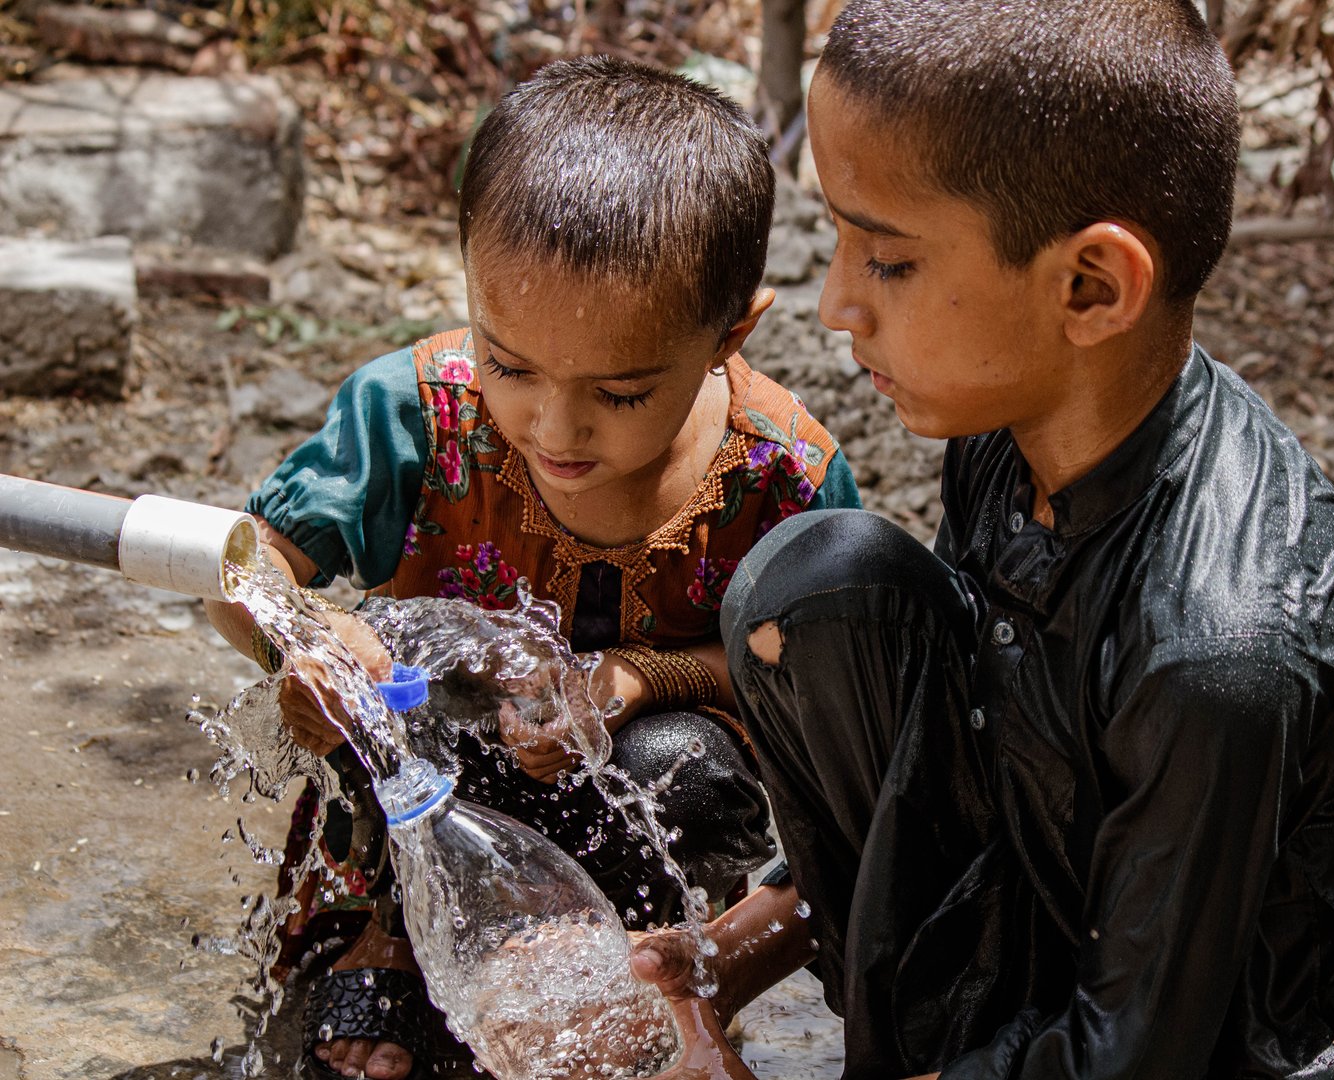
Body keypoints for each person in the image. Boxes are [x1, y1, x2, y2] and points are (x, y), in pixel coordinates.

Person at [631, 2, 1334, 1078]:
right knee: (815, 599)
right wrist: (728, 953)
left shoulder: (1218, 653)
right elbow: (965, 740)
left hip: (1234, 1031)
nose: (838, 302)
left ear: (1091, 287)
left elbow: (1136, 1054)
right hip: (1103, 906)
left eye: (885, 260)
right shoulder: (1021, 424)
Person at [205, 55, 861, 1080]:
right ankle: (380, 940)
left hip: (636, 816)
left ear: (729, 334)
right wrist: (308, 642)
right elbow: (241, 570)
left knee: (678, 762)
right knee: (387, 704)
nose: (554, 427)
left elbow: (833, 694)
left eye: (623, 390)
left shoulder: (780, 478)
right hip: (419, 813)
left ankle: (647, 983)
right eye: (509, 363)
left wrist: (647, 676)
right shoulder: (417, 415)